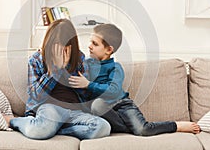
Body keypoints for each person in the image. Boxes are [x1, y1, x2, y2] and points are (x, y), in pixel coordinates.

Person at [68, 23, 200, 136]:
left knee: (143, 129)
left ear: (108, 50)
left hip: (122, 104)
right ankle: (130, 129)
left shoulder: (115, 67)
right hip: (103, 108)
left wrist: (88, 85)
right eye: (90, 42)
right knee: (97, 105)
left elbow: (113, 90)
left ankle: (176, 126)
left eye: (95, 44)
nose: (90, 46)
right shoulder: (87, 63)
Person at [5, 19, 111, 140]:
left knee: (103, 127)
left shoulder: (80, 60)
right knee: (38, 131)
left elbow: (86, 97)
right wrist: (55, 70)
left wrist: (68, 70)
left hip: (75, 112)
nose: (60, 51)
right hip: (50, 109)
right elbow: (35, 95)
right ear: (49, 43)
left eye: (65, 47)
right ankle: (15, 121)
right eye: (56, 46)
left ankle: (54, 130)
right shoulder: (37, 60)